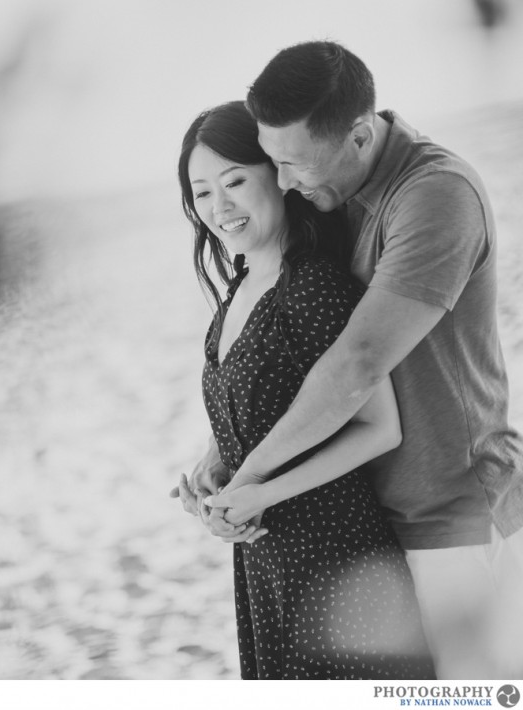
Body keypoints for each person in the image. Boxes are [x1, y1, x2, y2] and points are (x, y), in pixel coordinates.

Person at [180, 40, 523, 680]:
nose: (283, 182)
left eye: (293, 165)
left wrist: (249, 479)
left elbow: (355, 364)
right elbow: (281, 354)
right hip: (375, 521)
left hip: (454, 516)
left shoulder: (434, 195)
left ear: (360, 136)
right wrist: (220, 455)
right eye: (272, 163)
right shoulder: (331, 191)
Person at [175, 100, 434, 679]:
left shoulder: (313, 286)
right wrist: (213, 473)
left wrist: (259, 493)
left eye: (236, 180)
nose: (221, 206)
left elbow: (378, 429)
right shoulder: (236, 295)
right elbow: (268, 417)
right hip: (267, 564)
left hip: (338, 560)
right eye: (202, 192)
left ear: (279, 175)